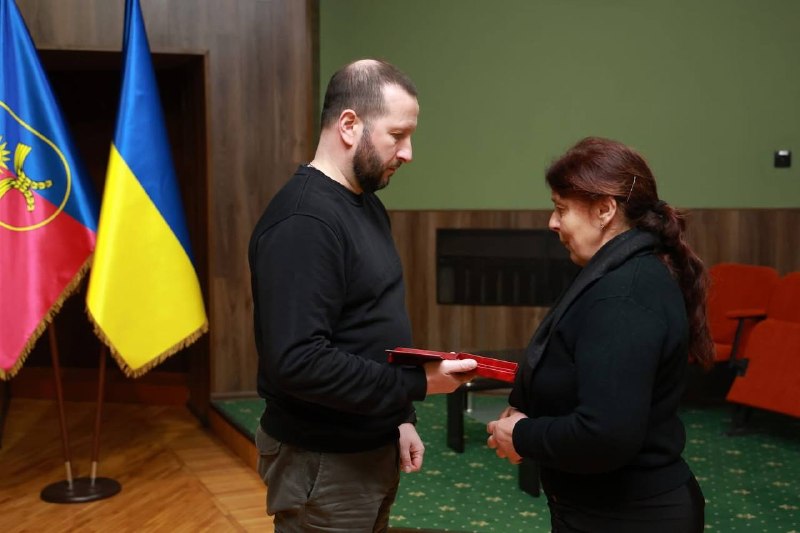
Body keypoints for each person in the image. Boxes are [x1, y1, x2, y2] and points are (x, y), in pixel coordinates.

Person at [248, 58, 477, 533]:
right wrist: (417, 385)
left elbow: (369, 329)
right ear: (349, 125)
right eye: (397, 135)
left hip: (369, 442)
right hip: (323, 460)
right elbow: (298, 362)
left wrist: (400, 417)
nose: (408, 152)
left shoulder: (366, 204)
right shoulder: (304, 222)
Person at [487, 137, 712, 532]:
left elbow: (605, 435)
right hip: (604, 509)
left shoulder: (624, 294)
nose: (552, 222)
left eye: (561, 209)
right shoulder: (620, 274)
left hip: (630, 517)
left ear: (605, 209)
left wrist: (523, 435)